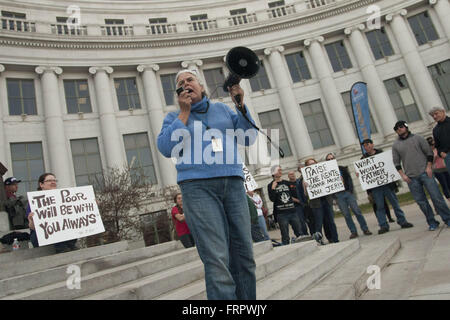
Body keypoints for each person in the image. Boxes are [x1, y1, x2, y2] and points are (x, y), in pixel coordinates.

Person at [157, 69, 257, 300]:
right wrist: (184, 113)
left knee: (244, 255)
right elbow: (165, 147)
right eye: (180, 83)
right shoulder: (173, 118)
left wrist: (241, 105)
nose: (185, 84)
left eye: (190, 80)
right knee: (217, 258)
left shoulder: (222, 109)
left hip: (232, 184)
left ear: (201, 86)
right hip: (197, 188)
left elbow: (248, 137)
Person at [392, 120, 450, 230]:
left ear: (406, 127)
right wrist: (403, 175)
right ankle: (432, 222)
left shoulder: (418, 138)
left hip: (425, 173)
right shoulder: (395, 145)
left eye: (400, 127)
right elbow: (396, 162)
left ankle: (447, 219)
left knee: (436, 197)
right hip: (411, 178)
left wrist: (429, 167)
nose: (399, 129)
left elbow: (429, 153)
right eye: (396, 128)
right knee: (421, 202)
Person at [361, 138, 413, 234]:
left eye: (367, 145)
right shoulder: (363, 159)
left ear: (372, 145)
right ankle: (383, 225)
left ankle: (402, 221)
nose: (366, 147)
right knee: (380, 207)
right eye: (364, 146)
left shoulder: (382, 154)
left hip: (387, 184)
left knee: (395, 204)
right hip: (376, 188)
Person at [27, 173, 78, 252]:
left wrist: (92, 204)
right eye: (49, 180)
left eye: (54, 180)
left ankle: (69, 244)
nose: (53, 182)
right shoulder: (34, 201)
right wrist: (31, 220)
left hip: (65, 236)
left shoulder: (63, 199)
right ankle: (61, 247)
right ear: (41, 184)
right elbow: (32, 227)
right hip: (41, 237)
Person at [325, 153, 372, 239]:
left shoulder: (342, 168)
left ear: (335, 159)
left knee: (357, 211)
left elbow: (349, 179)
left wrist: (350, 191)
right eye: (329, 159)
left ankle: (365, 229)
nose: (331, 160)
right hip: (338, 195)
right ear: (326, 162)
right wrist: (334, 197)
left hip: (347, 193)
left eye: (332, 158)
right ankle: (353, 231)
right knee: (346, 214)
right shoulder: (326, 173)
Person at [303, 158, 339, 245]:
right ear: (307, 167)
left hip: (327, 201)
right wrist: (305, 186)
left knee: (331, 221)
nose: (312, 165)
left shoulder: (324, 172)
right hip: (316, 204)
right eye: (310, 164)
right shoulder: (306, 178)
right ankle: (319, 240)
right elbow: (305, 194)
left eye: (313, 163)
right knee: (318, 223)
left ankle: (335, 239)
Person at [267, 165, 305, 245]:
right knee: (285, 235)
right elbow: (272, 199)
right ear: (273, 173)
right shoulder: (270, 185)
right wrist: (273, 189)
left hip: (292, 211)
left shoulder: (287, 183)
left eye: (281, 170)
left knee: (299, 232)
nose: (281, 171)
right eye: (278, 170)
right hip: (281, 214)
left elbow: (294, 194)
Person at [427, 136, 450, 201]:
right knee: (444, 185)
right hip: (438, 170)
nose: (433, 146)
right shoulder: (429, 152)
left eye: (434, 144)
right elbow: (431, 162)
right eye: (431, 145)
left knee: (449, 183)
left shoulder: (439, 149)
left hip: (445, 168)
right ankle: (448, 197)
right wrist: (435, 156)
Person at [287, 171, 308, 236]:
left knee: (309, 220)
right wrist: (298, 201)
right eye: (290, 174)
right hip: (297, 205)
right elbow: (289, 195)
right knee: (301, 221)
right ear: (288, 176)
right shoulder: (288, 184)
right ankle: (305, 234)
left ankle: (313, 233)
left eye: (293, 174)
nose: (292, 175)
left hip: (305, 203)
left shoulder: (299, 181)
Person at [296, 164, 315, 235]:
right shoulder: (298, 181)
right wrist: (303, 204)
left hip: (316, 202)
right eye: (300, 169)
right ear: (299, 171)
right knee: (310, 222)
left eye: (303, 168)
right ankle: (314, 237)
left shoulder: (313, 176)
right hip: (307, 203)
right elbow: (299, 194)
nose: (302, 170)